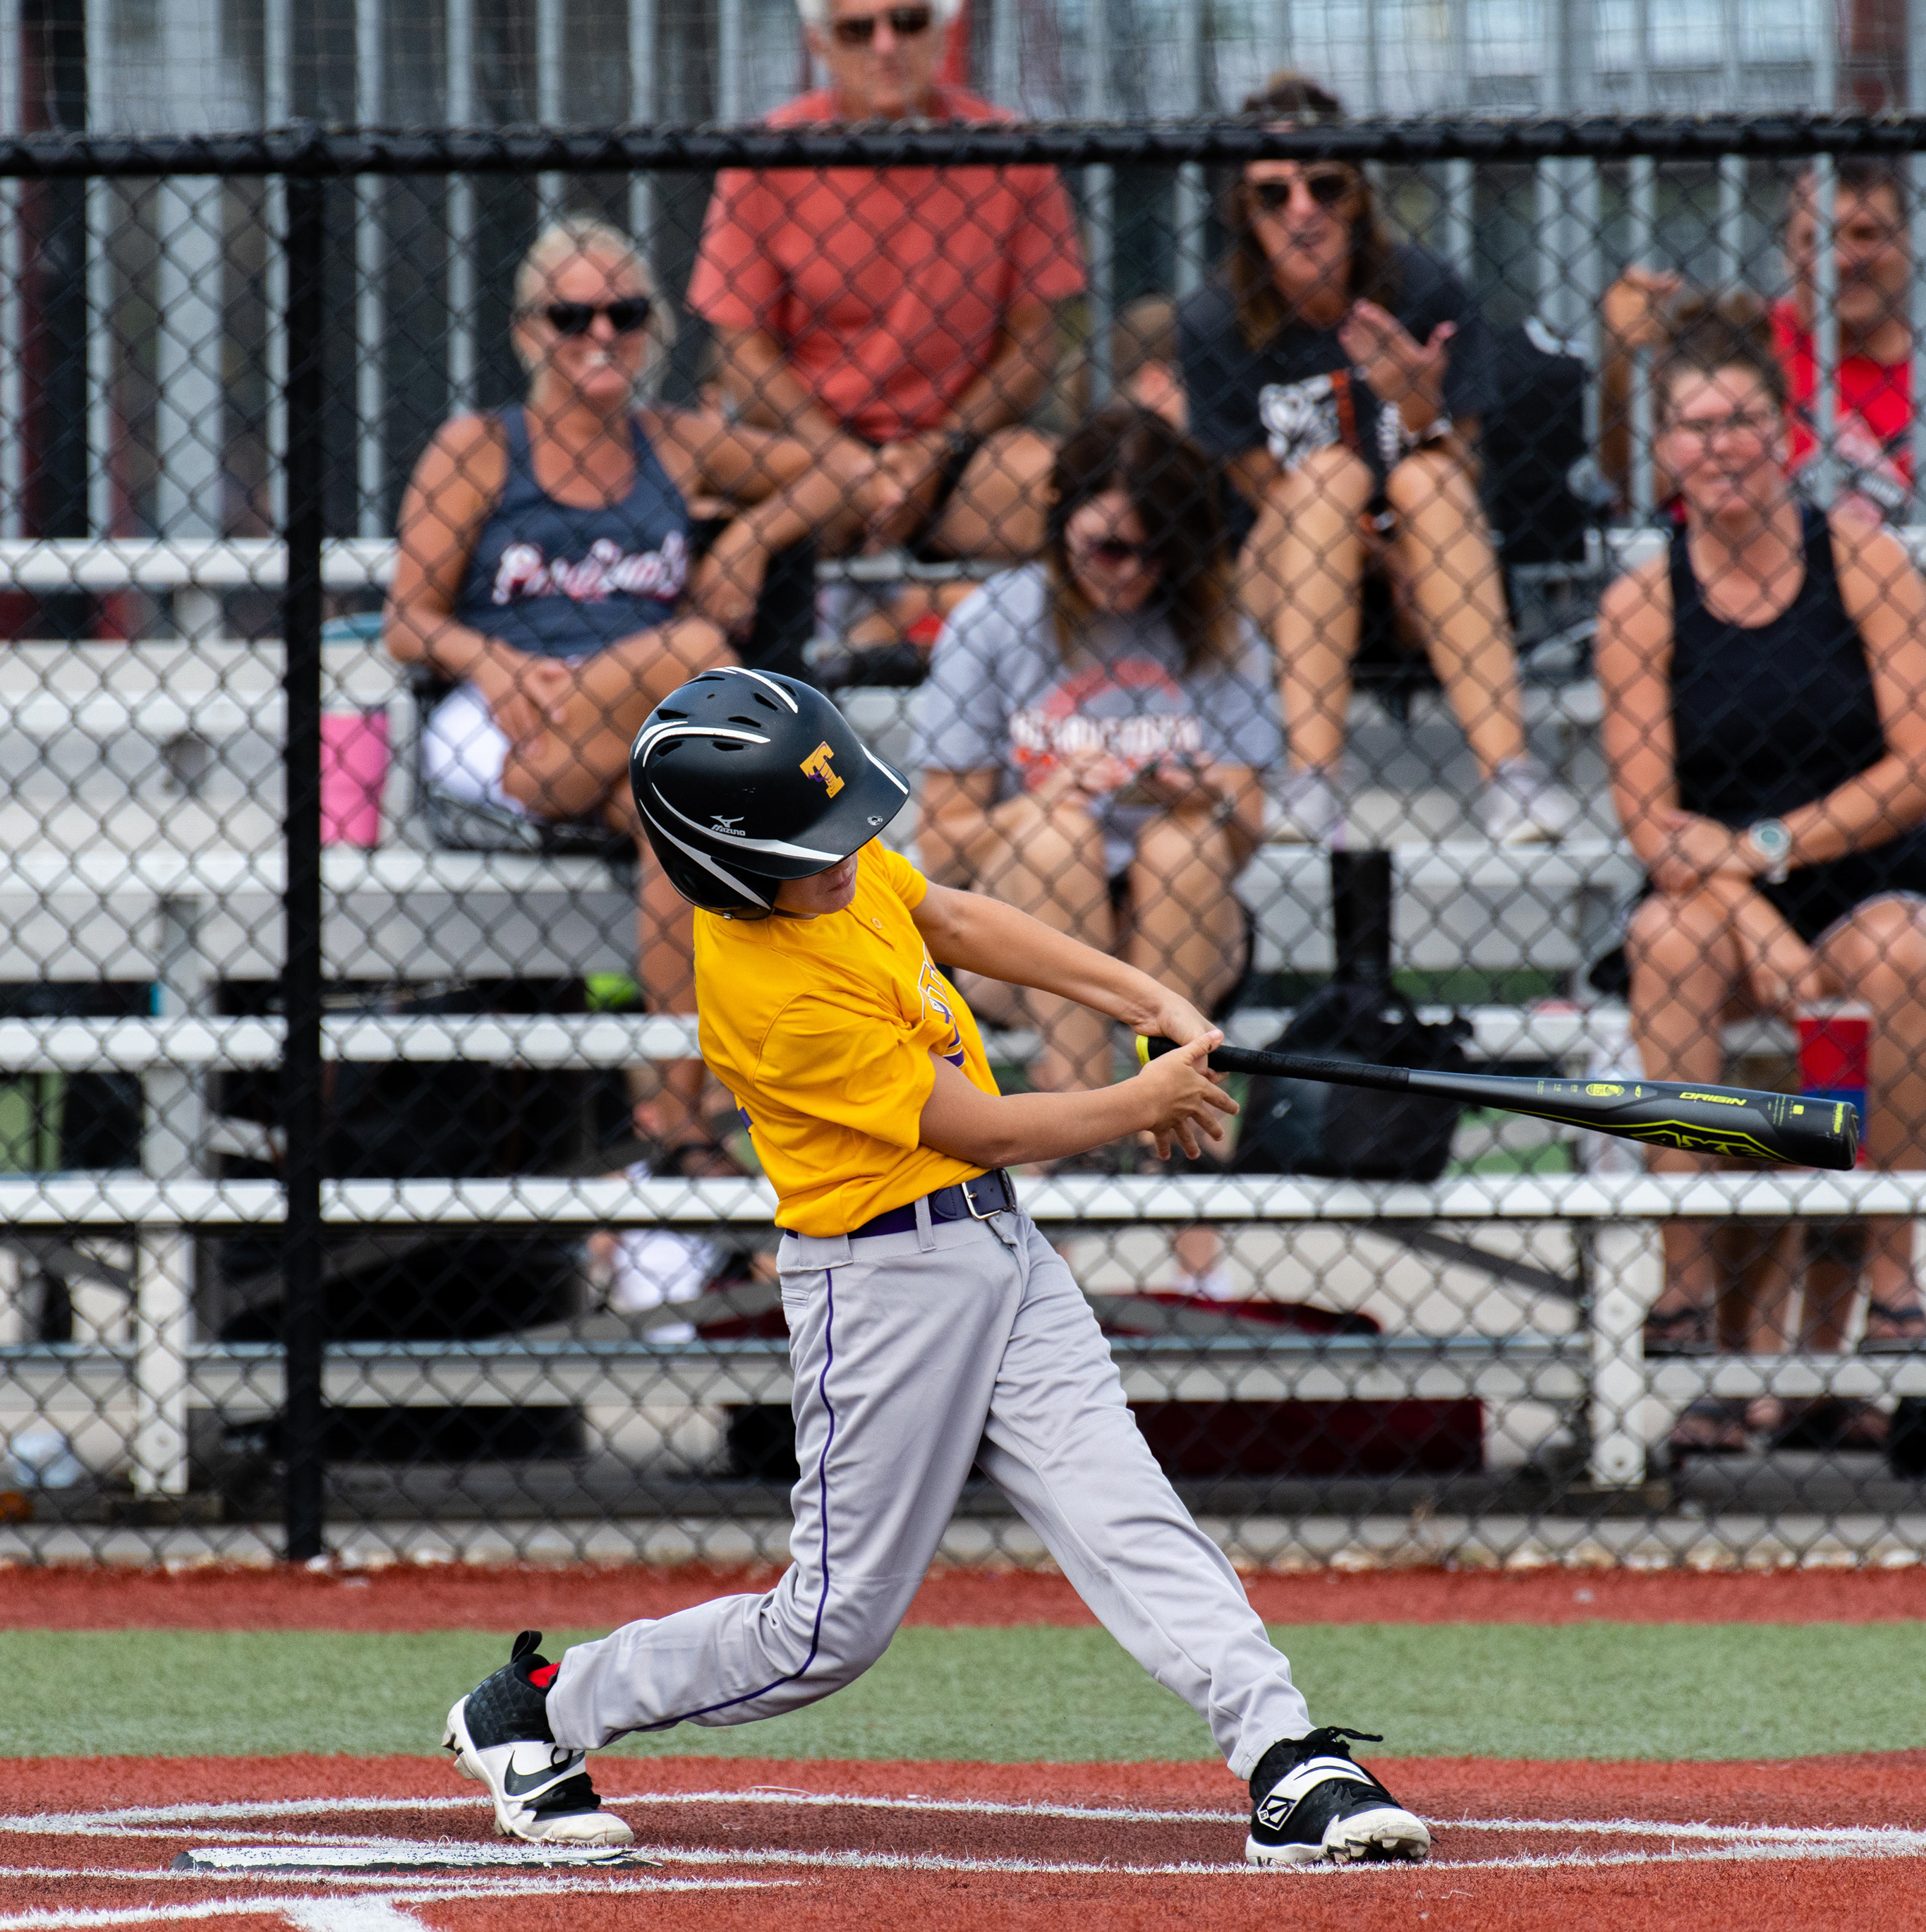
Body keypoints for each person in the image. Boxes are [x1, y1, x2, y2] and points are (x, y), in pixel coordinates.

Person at [440, 668, 1433, 1870]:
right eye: (816, 845)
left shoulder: (829, 872)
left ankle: (1286, 1755)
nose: (848, 855)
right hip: (881, 1289)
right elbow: (984, 1127)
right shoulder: (769, 989)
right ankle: (540, 1707)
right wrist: (1144, 1098)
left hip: (1001, 1251)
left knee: (1126, 1511)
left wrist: (1148, 994)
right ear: (728, 864)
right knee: (823, 1632)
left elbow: (949, 915)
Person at [385, 217, 852, 1149]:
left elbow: (839, 470)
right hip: (513, 722)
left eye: (625, 313)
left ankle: (679, 1119)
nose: (601, 334)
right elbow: (408, 619)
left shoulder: (674, 442)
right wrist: (492, 659)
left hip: (645, 724)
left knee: (677, 824)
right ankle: (809, 814)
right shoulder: (480, 448)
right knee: (696, 650)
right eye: (572, 316)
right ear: (528, 331)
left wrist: (750, 537)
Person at [1594, 296, 1926, 1453]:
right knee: (1665, 939)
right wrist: (1751, 912)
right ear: (1665, 449)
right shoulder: (1641, 603)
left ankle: (1893, 1280)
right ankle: (1685, 1287)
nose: (1722, 447)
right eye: (1696, 426)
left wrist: (1769, 849)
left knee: (1904, 949)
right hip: (1714, 913)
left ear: (1787, 431)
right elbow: (1652, 821)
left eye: (1744, 421)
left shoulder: (1861, 560)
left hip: (1867, 885)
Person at [911, 408, 1276, 1299]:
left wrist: (1206, 792)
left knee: (1185, 843)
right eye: (1110, 548)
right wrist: (1039, 801)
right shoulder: (997, 621)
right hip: (1027, 932)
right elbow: (940, 840)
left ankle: (1190, 1210)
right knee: (1058, 835)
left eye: (1158, 554)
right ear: (1060, 520)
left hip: (1178, 931)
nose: (1132, 573)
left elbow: (1249, 824)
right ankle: (1070, 1165)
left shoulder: (1214, 622)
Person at [1177, 74, 1564, 847]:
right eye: (1273, 194)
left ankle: (1510, 777)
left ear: (1357, 196)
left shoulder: (1424, 289)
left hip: (1431, 579)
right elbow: (1265, 492)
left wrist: (1416, 406)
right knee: (1327, 475)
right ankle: (1310, 778)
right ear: (1243, 210)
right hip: (1289, 581)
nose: (1303, 211)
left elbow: (1462, 468)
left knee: (1426, 475)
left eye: (1325, 186)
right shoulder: (1217, 320)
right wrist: (1387, 555)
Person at [689, 0, 1082, 570]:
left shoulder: (1012, 150)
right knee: (701, 522)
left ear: (943, 28)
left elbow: (1032, 345)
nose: (885, 46)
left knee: (1072, 496)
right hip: (805, 451)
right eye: (856, 29)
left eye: (907, 21)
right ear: (819, 43)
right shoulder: (766, 154)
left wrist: (936, 450)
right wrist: (844, 463)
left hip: (962, 453)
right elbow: (741, 353)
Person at [1601, 159, 1913, 524]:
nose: (1842, 260)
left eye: (1866, 234)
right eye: (1816, 239)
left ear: (1909, 241)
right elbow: (1641, 483)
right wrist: (1623, 356)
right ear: (1786, 253)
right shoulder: (1740, 342)